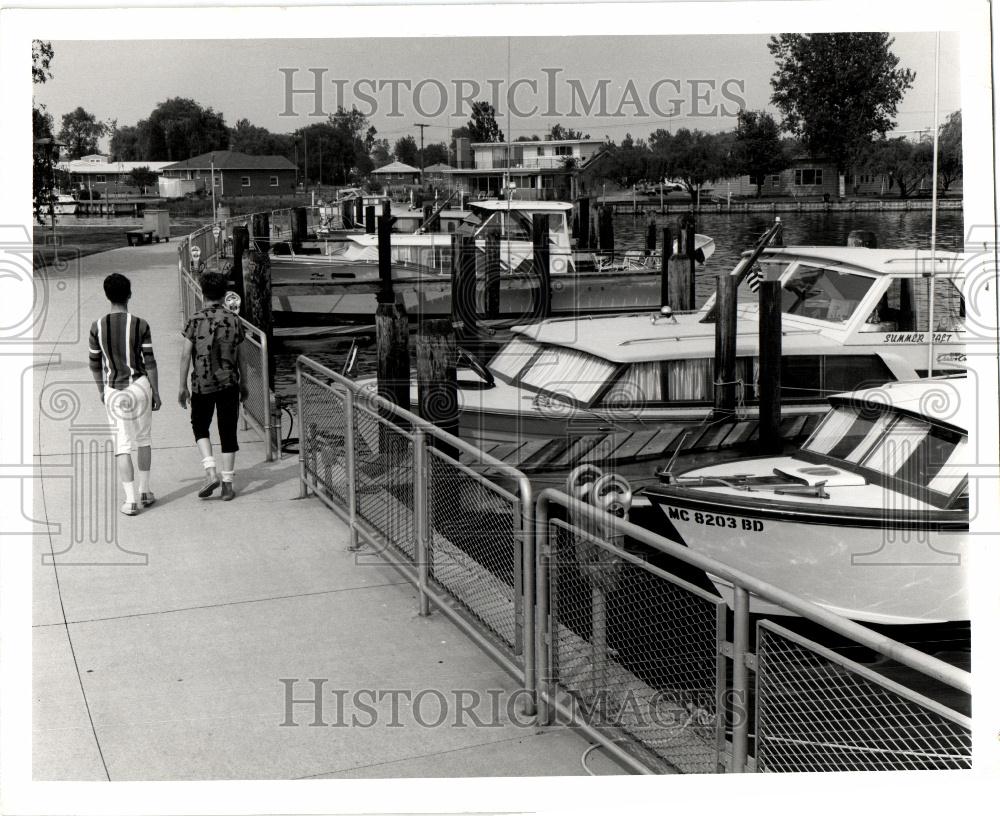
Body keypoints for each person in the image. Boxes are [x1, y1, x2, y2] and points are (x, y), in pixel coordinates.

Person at [88, 273, 161, 516]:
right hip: (139, 385)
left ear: (107, 295)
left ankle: (130, 501)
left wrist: (101, 390)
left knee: (122, 445)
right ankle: (145, 490)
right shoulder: (141, 324)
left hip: (113, 389)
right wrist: (156, 392)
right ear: (129, 294)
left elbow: (94, 363)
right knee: (144, 439)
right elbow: (149, 362)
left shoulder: (97, 326)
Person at [178, 271, 248, 500]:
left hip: (202, 383)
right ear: (223, 294)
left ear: (201, 292)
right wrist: (245, 382)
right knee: (228, 430)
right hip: (229, 382)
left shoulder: (195, 319)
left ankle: (210, 473)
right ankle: (227, 484)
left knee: (200, 425)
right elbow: (241, 355)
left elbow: (185, 355)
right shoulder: (234, 320)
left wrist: (182, 386)